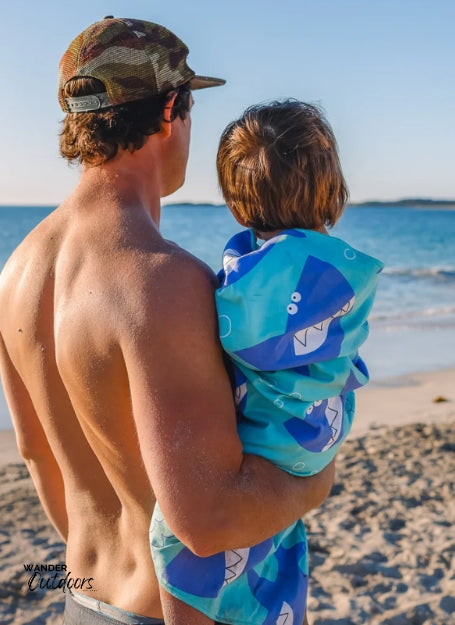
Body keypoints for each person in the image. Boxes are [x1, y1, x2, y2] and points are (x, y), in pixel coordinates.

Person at [0, 18, 334, 625]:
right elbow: (207, 522)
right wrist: (317, 482)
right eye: (190, 109)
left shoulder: (15, 273)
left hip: (83, 598)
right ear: (171, 108)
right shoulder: (163, 281)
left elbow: (36, 454)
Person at [150, 100, 383, 625]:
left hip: (275, 439)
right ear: (335, 194)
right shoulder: (338, 271)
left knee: (173, 540)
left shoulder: (251, 288)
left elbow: (240, 337)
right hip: (317, 438)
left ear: (236, 207)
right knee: (276, 535)